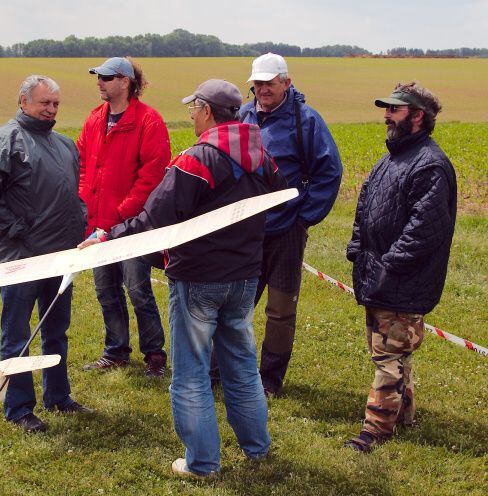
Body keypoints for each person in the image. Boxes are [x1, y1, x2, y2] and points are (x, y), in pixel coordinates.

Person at [79, 80, 287, 476]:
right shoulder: (263, 156)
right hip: (243, 278)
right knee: (242, 366)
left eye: (193, 107)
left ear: (207, 111)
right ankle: (256, 449)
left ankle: (203, 463)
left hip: (198, 279)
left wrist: (108, 236)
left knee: (190, 374)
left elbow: (155, 218)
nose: (190, 114)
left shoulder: (198, 159)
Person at [0, 75, 93, 433]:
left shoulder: (65, 145)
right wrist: (14, 231)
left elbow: (72, 192)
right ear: (23, 101)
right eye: (44, 103)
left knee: (56, 330)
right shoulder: (5, 141)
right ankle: (19, 407)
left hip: (61, 256)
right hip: (20, 259)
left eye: (55, 104)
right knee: (18, 333)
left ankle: (59, 396)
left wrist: (79, 221)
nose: (51, 109)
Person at [345, 82, 457, 452]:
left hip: (402, 279)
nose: (386, 115)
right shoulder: (390, 159)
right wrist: (357, 249)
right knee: (393, 351)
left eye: (394, 109)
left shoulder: (431, 165)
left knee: (388, 357)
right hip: (377, 274)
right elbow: (365, 209)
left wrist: (388, 266)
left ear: (417, 116)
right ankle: (403, 415)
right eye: (386, 109)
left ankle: (374, 430)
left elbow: (425, 231)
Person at [238, 52, 343, 396]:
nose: (263, 89)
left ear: (287, 82)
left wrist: (303, 218)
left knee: (280, 310)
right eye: (258, 83)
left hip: (286, 231)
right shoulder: (244, 114)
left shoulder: (307, 121)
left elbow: (328, 172)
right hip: (247, 230)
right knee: (236, 303)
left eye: (270, 82)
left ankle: (270, 378)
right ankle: (220, 368)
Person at [77, 57, 171, 377]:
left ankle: (154, 355)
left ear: (125, 82)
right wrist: (85, 206)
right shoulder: (94, 119)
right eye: (98, 77)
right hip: (97, 225)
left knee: (138, 288)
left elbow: (151, 177)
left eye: (106, 77)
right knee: (106, 290)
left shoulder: (149, 122)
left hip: (132, 227)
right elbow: (84, 166)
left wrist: (119, 215)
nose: (99, 82)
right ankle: (115, 350)